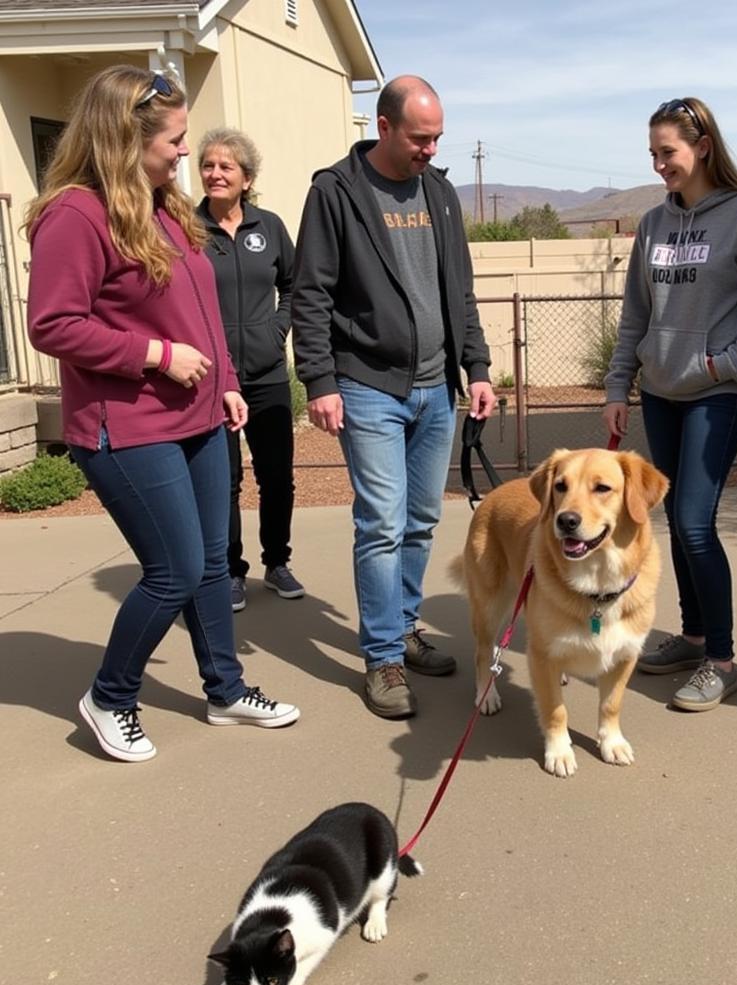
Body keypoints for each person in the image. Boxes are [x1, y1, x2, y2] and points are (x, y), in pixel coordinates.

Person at [26, 66, 300, 763]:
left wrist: (228, 379)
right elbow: (53, 325)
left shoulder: (165, 206)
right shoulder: (76, 214)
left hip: (201, 415)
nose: (185, 152)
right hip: (128, 426)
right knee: (173, 570)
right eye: (175, 140)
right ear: (127, 137)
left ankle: (225, 689)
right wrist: (152, 353)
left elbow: (202, 309)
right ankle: (110, 696)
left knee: (212, 562)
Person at [291, 74, 496, 720]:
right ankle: (381, 658)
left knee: (422, 519)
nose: (431, 150)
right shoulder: (336, 193)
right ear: (382, 127)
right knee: (380, 521)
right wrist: (319, 380)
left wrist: (479, 367)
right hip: (367, 385)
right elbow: (311, 294)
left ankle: (404, 629)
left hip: (436, 387)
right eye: (419, 138)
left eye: (437, 138)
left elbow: (459, 288)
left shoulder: (437, 192)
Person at [603, 97, 737, 713]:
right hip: (660, 392)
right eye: (653, 155)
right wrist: (617, 387)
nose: (660, 165)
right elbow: (636, 313)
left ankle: (722, 660)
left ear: (703, 145)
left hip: (717, 393)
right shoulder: (655, 224)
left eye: (669, 152)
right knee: (678, 526)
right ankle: (692, 638)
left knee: (693, 522)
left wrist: (726, 363)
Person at [196, 128, 303, 613]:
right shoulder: (186, 228)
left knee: (276, 476)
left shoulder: (270, 227)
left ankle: (277, 562)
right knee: (225, 480)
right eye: (208, 165)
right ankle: (230, 571)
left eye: (226, 167)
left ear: (247, 178)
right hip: (211, 379)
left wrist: (276, 330)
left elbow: (296, 286)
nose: (215, 174)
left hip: (266, 376)